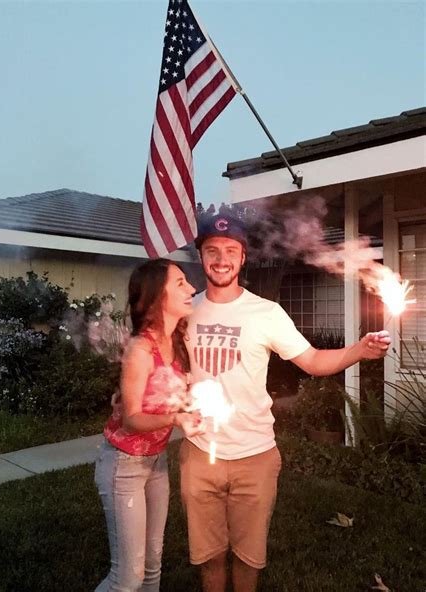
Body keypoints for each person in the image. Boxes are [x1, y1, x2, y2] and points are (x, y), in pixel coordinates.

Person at [180, 213, 391, 592]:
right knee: (209, 558)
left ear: (242, 258)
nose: (221, 259)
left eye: (231, 251)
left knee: (247, 559)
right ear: (201, 256)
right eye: (212, 250)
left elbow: (311, 361)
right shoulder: (184, 311)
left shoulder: (266, 312)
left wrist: (359, 350)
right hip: (199, 454)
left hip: (254, 456)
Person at [94, 258, 202, 592]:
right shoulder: (141, 349)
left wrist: (197, 406)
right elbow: (132, 418)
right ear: (157, 297)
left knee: (153, 565)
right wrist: (175, 418)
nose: (192, 289)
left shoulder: (178, 341)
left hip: (156, 463)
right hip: (123, 466)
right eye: (181, 283)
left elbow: (175, 394)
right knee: (127, 578)